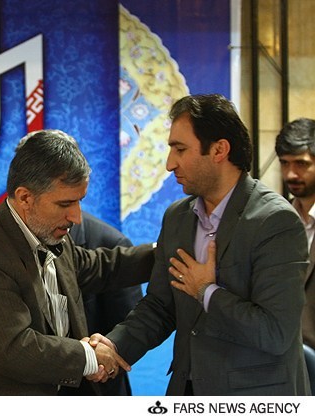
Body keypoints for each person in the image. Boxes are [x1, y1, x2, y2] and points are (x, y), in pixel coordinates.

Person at [93, 94, 311, 395]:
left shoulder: (275, 221)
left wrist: (206, 292)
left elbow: (275, 333)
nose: (170, 164)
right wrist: (112, 348)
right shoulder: (177, 217)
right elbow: (160, 307)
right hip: (187, 391)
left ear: (219, 150)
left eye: (180, 149)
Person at [0, 129, 154, 395]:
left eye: (79, 202)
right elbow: (14, 349)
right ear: (25, 198)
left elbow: (102, 267)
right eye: (65, 204)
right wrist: (89, 356)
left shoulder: (50, 234)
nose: (77, 217)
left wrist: (169, 249)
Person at [65, 211, 142, 396]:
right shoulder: (10, 242)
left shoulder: (111, 243)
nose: (74, 215)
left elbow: (129, 326)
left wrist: (97, 358)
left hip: (94, 390)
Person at [275, 117, 315, 350]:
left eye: (301, 164)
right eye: (284, 163)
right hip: (283, 358)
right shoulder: (275, 222)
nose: (291, 174)